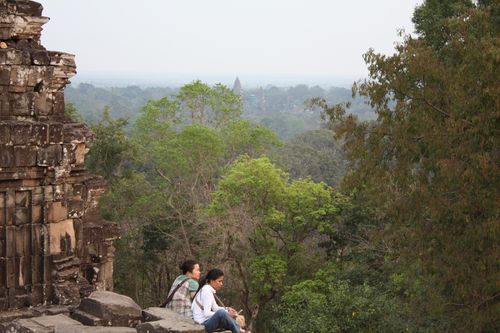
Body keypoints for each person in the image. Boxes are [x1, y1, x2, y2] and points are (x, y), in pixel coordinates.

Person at [192, 268, 248, 333]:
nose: (221, 284)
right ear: (212, 281)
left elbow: (215, 308)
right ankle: (240, 331)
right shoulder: (206, 291)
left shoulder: (208, 290)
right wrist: (227, 313)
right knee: (221, 313)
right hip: (202, 324)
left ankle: (240, 330)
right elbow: (207, 313)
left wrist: (227, 309)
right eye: (219, 281)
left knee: (222, 314)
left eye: (222, 281)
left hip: (206, 322)